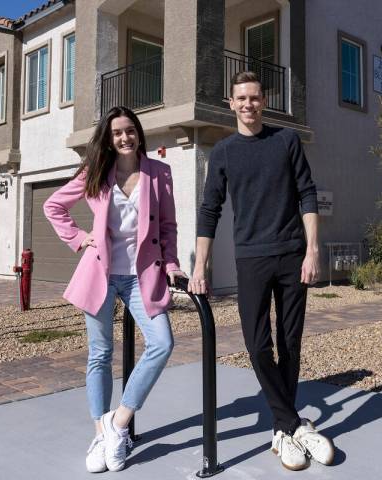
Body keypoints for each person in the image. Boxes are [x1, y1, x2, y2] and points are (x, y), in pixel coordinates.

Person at [189, 72, 335, 471]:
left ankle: (281, 432)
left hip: (292, 255)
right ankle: (292, 424)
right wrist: (199, 266)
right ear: (231, 103)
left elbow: (307, 192)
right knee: (256, 345)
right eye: (242, 98)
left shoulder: (285, 140)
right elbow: (209, 210)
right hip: (251, 258)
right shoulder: (223, 152)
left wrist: (312, 249)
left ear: (263, 101)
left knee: (290, 344)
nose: (249, 104)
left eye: (255, 97)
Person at [44, 106, 186, 473]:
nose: (125, 137)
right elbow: (53, 205)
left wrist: (171, 264)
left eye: (130, 131)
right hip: (101, 274)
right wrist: (79, 239)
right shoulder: (95, 172)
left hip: (143, 276)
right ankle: (99, 434)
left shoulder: (159, 173)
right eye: (117, 133)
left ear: (139, 133)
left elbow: (168, 226)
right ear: (109, 138)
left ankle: (117, 423)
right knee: (99, 354)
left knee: (162, 343)